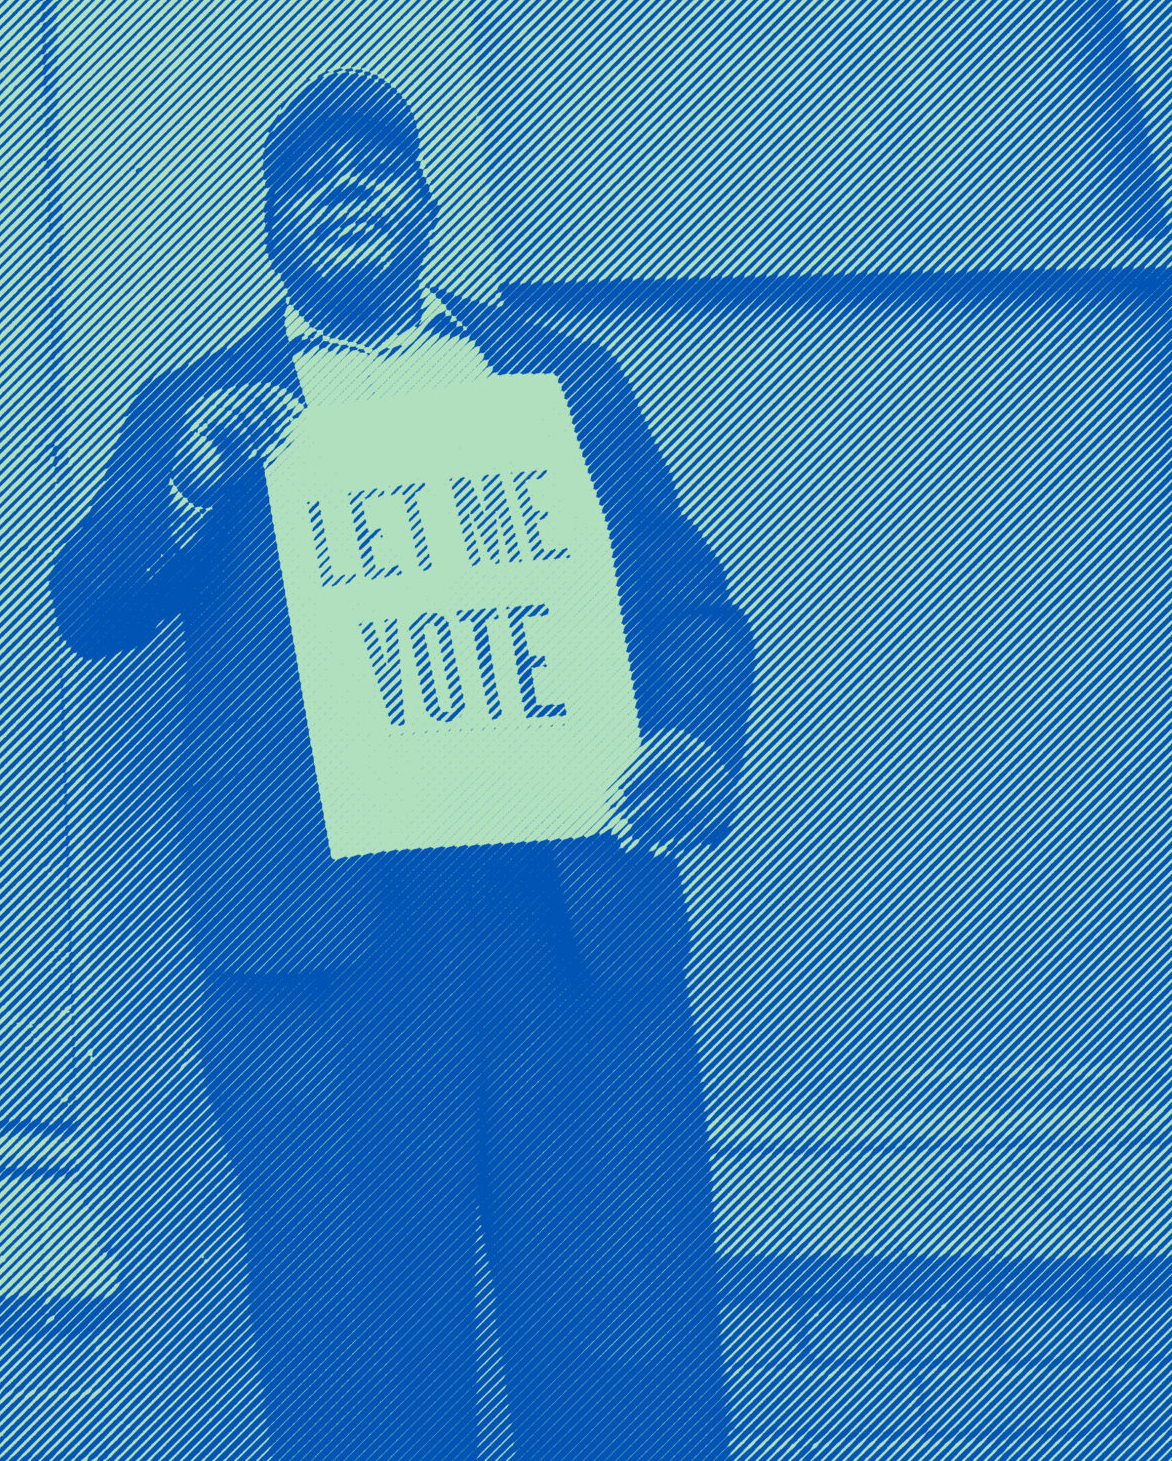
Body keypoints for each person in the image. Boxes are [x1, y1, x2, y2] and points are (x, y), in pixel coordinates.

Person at [48, 71, 756, 1461]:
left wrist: (698, 740)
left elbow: (687, 604)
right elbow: (89, 606)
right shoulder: (198, 406)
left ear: (430, 206)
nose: (347, 184)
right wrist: (183, 484)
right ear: (272, 235)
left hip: (568, 927)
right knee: (354, 1348)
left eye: (380, 163)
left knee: (628, 1327)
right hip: (327, 959)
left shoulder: (563, 382)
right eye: (311, 174)